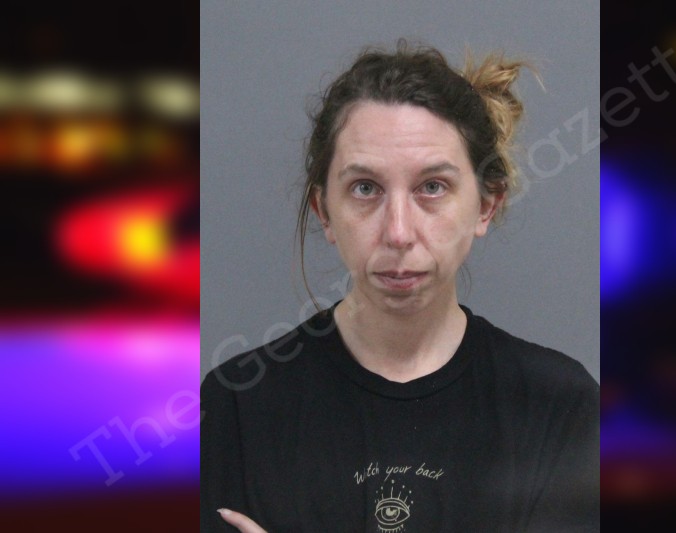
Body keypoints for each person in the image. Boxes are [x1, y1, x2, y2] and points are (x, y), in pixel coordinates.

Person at [201, 41, 599, 532]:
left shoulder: (559, 407)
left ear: (485, 205)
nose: (398, 232)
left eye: (432, 187)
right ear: (325, 211)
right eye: (365, 188)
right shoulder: (236, 408)